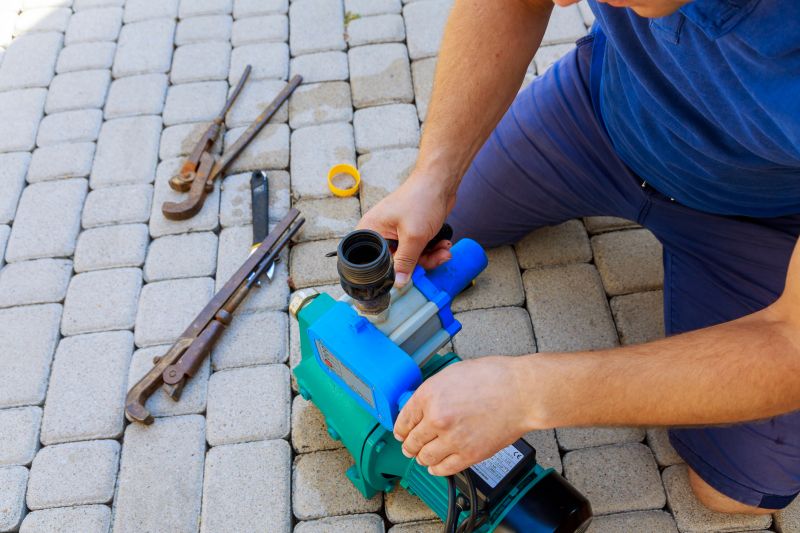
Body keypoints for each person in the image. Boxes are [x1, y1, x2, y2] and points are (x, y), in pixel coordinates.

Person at [357, 0, 800, 516]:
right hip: (601, 115)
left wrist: (526, 392)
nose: (566, 2)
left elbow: (792, 344)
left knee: (736, 490)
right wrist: (434, 175)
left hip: (763, 213)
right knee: (449, 219)